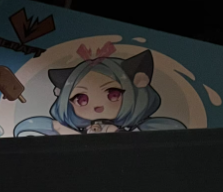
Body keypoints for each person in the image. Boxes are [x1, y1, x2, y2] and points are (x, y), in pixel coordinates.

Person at [14, 45, 185, 136]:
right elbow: (27, 132)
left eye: (113, 94)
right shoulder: (61, 127)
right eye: (81, 99)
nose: (97, 106)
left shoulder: (151, 128)